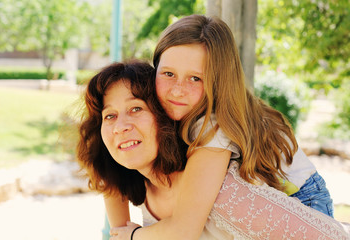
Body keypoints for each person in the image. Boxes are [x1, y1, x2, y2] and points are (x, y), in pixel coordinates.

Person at [106, 14, 334, 239]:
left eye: (195, 78)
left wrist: (134, 234)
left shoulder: (213, 125)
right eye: (168, 74)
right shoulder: (170, 110)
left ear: (218, 81)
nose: (177, 90)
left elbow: (185, 230)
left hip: (304, 201)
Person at [76, 61, 350, 240]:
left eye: (136, 109)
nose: (120, 126)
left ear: (164, 116)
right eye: (109, 116)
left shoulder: (221, 190)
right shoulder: (140, 185)